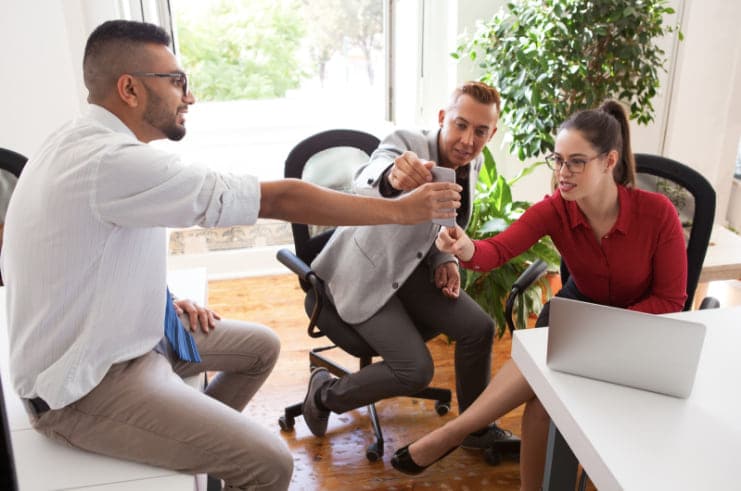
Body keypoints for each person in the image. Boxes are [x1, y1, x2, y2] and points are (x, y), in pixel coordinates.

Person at [0, 20, 462, 491]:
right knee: (272, 464)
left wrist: (159, 296)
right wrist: (400, 211)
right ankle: (214, 449)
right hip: (87, 387)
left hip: (133, 336)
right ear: (129, 89)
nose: (190, 96)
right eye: (177, 81)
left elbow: (90, 250)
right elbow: (279, 199)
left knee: (262, 348)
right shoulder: (115, 163)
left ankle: (200, 444)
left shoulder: (77, 142)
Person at [389, 100, 688, 490]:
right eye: (558, 160)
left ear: (609, 161)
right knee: (541, 406)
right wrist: (462, 247)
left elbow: (670, 301)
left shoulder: (657, 213)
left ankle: (455, 432)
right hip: (578, 318)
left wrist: (603, 332)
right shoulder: (556, 210)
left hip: (641, 333)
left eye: (576, 162)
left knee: (553, 381)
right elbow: (496, 250)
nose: (563, 174)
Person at [302, 81, 515, 450]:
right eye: (460, 124)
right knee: (416, 370)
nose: (468, 139)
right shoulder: (409, 144)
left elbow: (445, 222)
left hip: (413, 271)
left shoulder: (471, 160)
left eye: (481, 131)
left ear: (491, 133)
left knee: (479, 328)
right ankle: (325, 394)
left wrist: (446, 257)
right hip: (363, 275)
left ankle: (476, 430)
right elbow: (371, 176)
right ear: (442, 118)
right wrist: (392, 178)